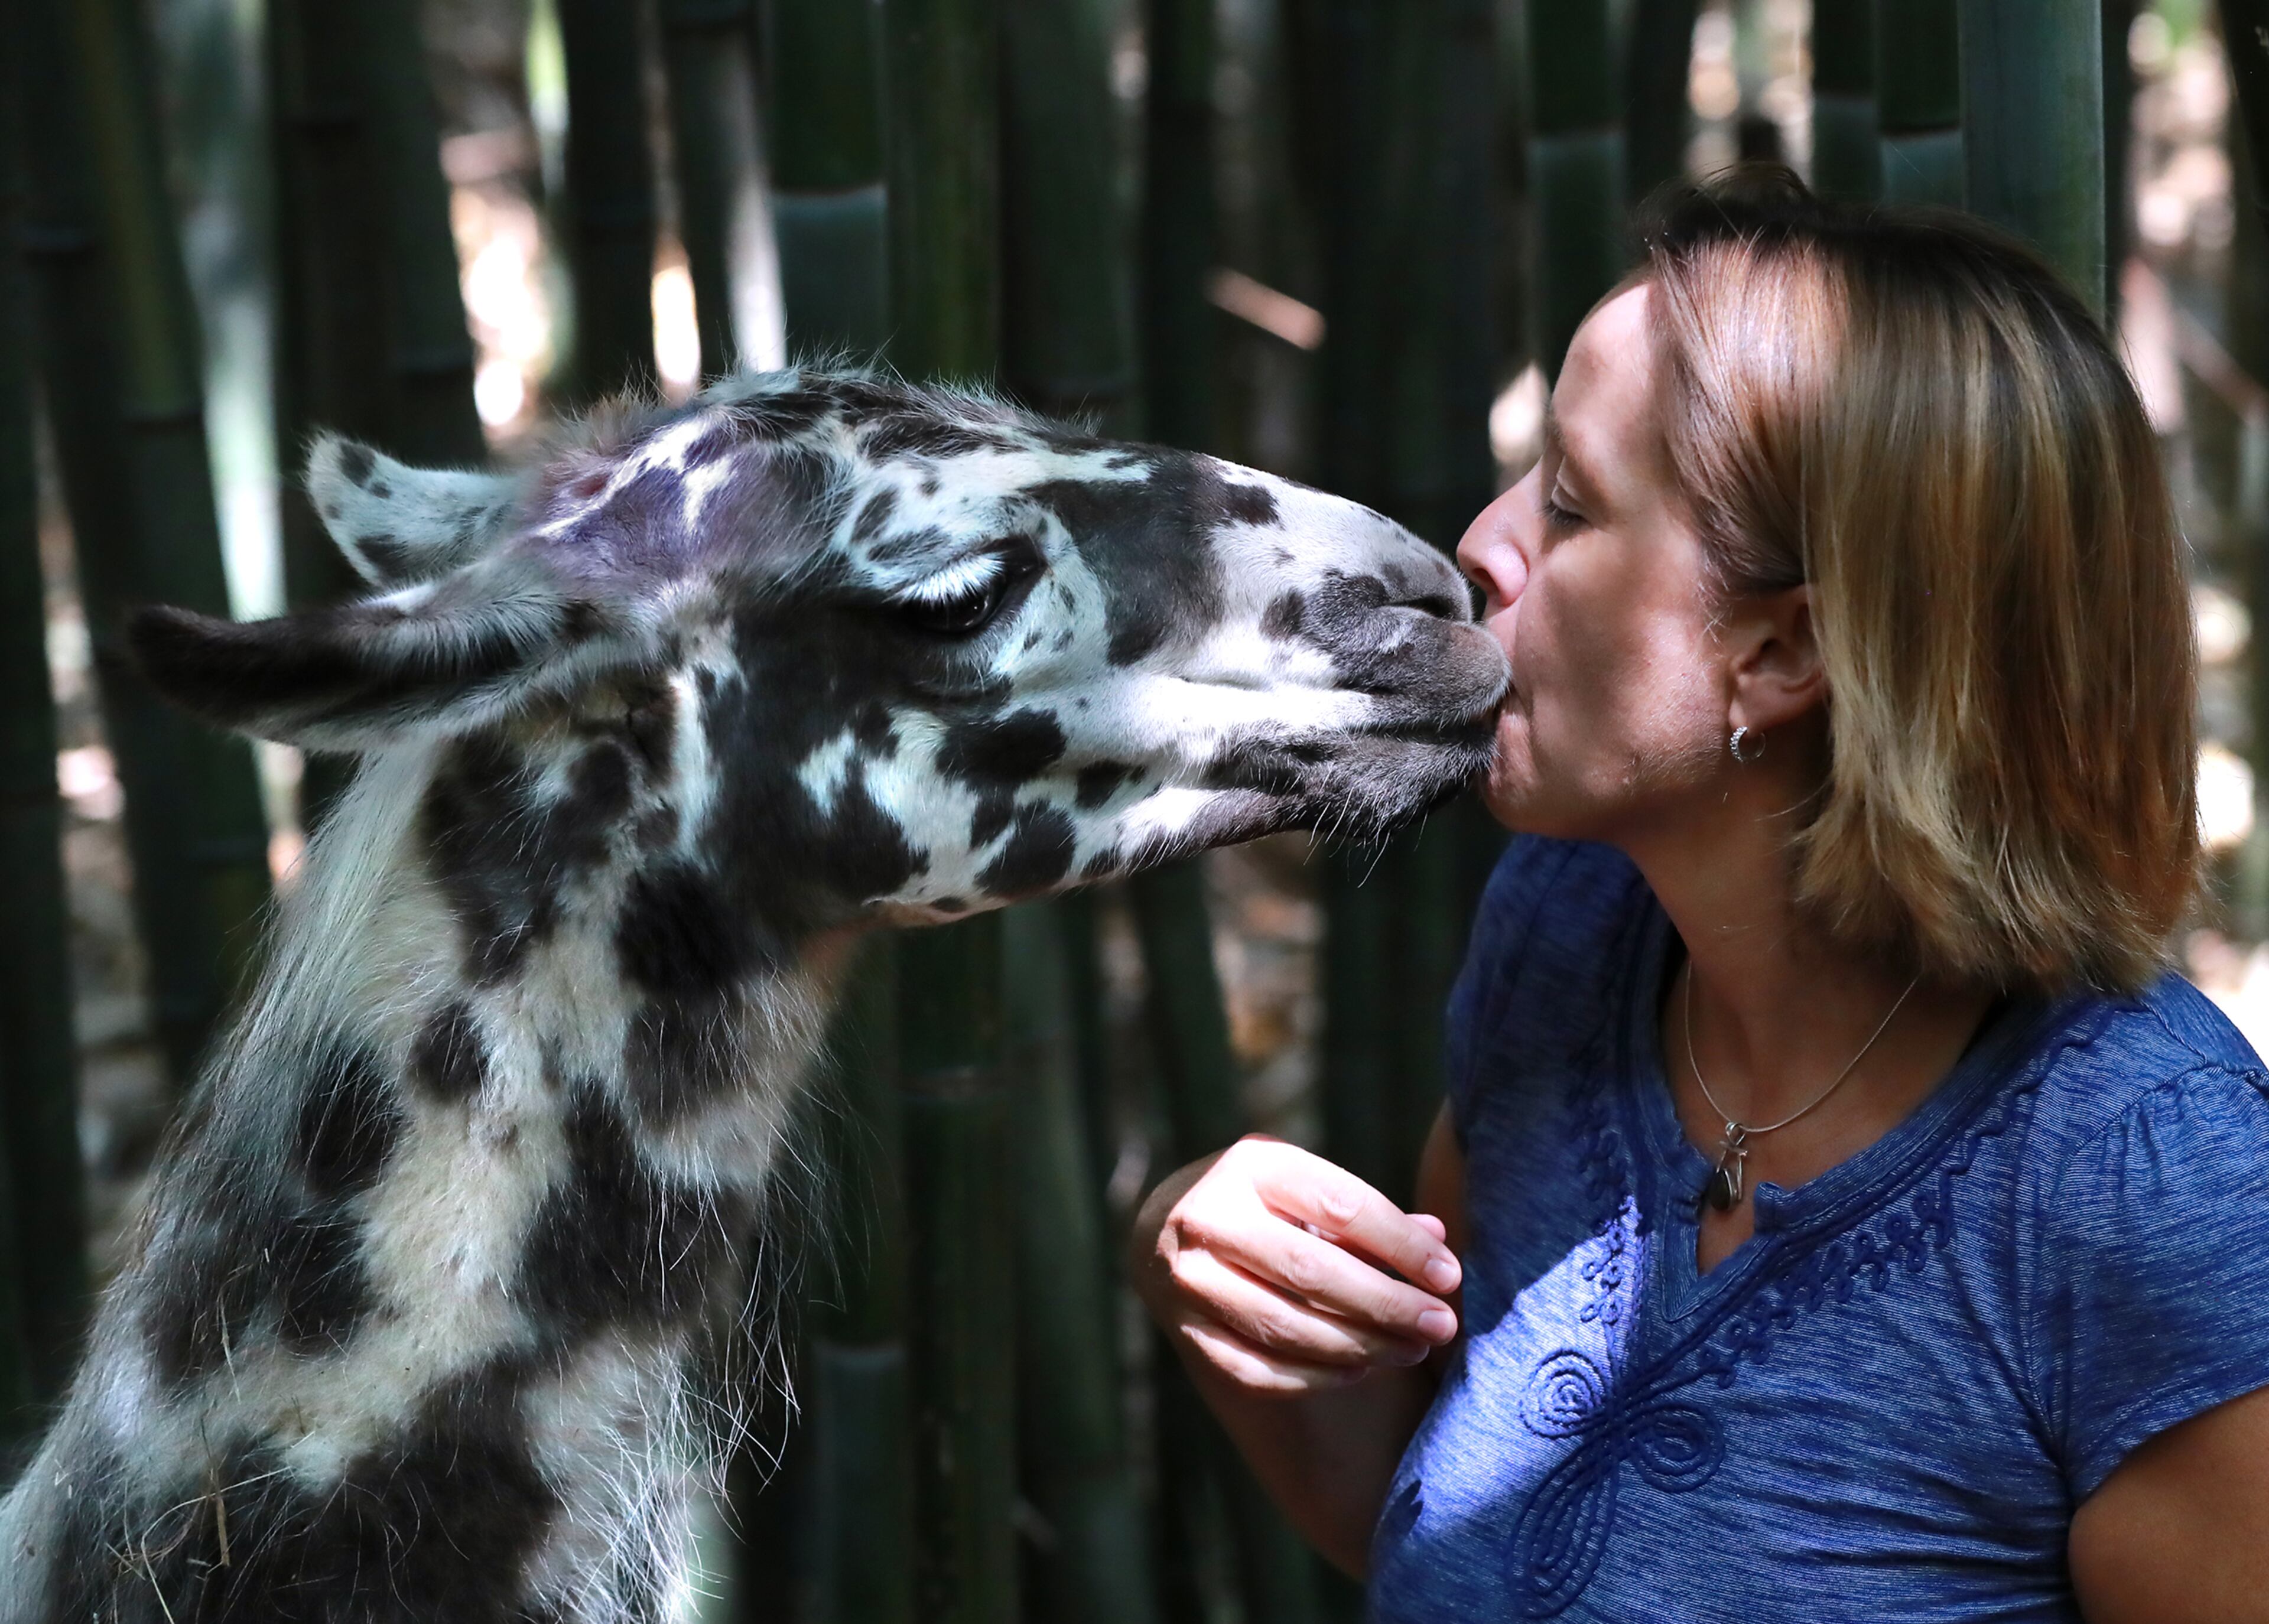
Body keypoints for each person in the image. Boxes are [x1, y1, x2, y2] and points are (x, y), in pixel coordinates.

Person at [1130, 168, 2269, 1622]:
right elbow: (1462, 1537)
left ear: (1781, 654)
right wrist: (1205, 1257)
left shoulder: (2154, 1187)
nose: (1481, 545)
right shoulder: (1572, 928)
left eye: (1570, 500)